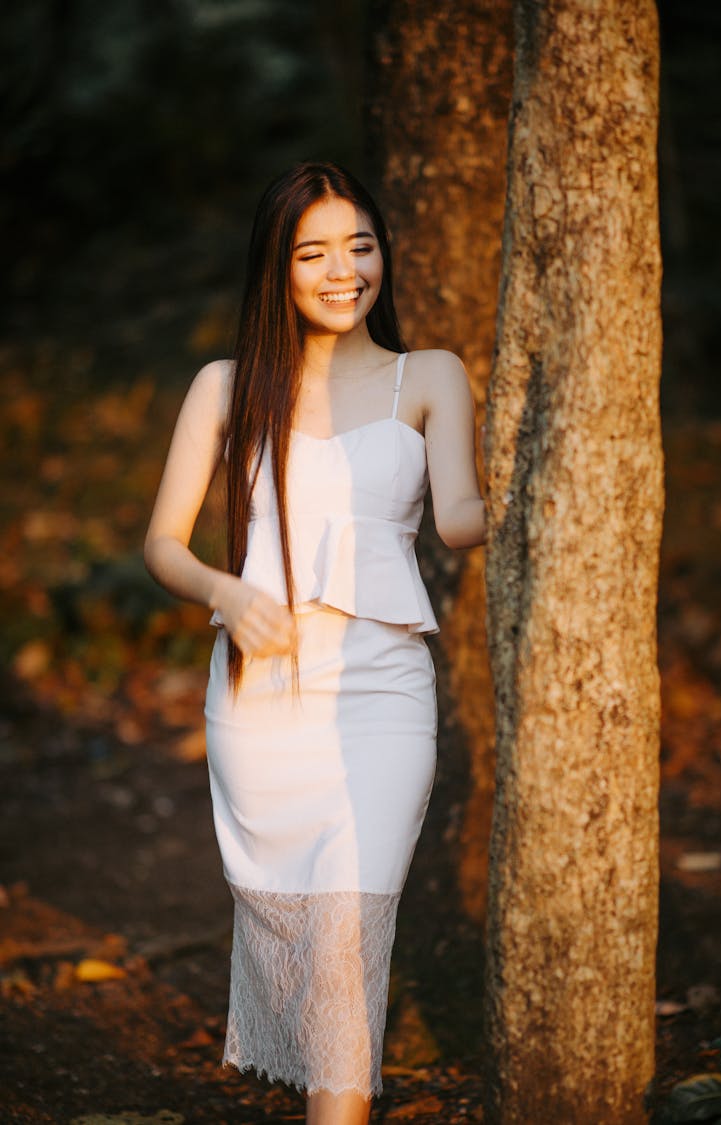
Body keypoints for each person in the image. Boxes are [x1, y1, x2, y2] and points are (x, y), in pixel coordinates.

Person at [144, 161, 485, 1125]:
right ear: (278, 268)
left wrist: (542, 483)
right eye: (315, 251)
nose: (344, 270)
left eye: (361, 245)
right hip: (264, 701)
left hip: (383, 692)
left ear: (385, 253)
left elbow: (456, 517)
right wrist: (225, 594)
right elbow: (162, 543)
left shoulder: (432, 376)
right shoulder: (226, 386)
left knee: (348, 927)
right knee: (305, 927)